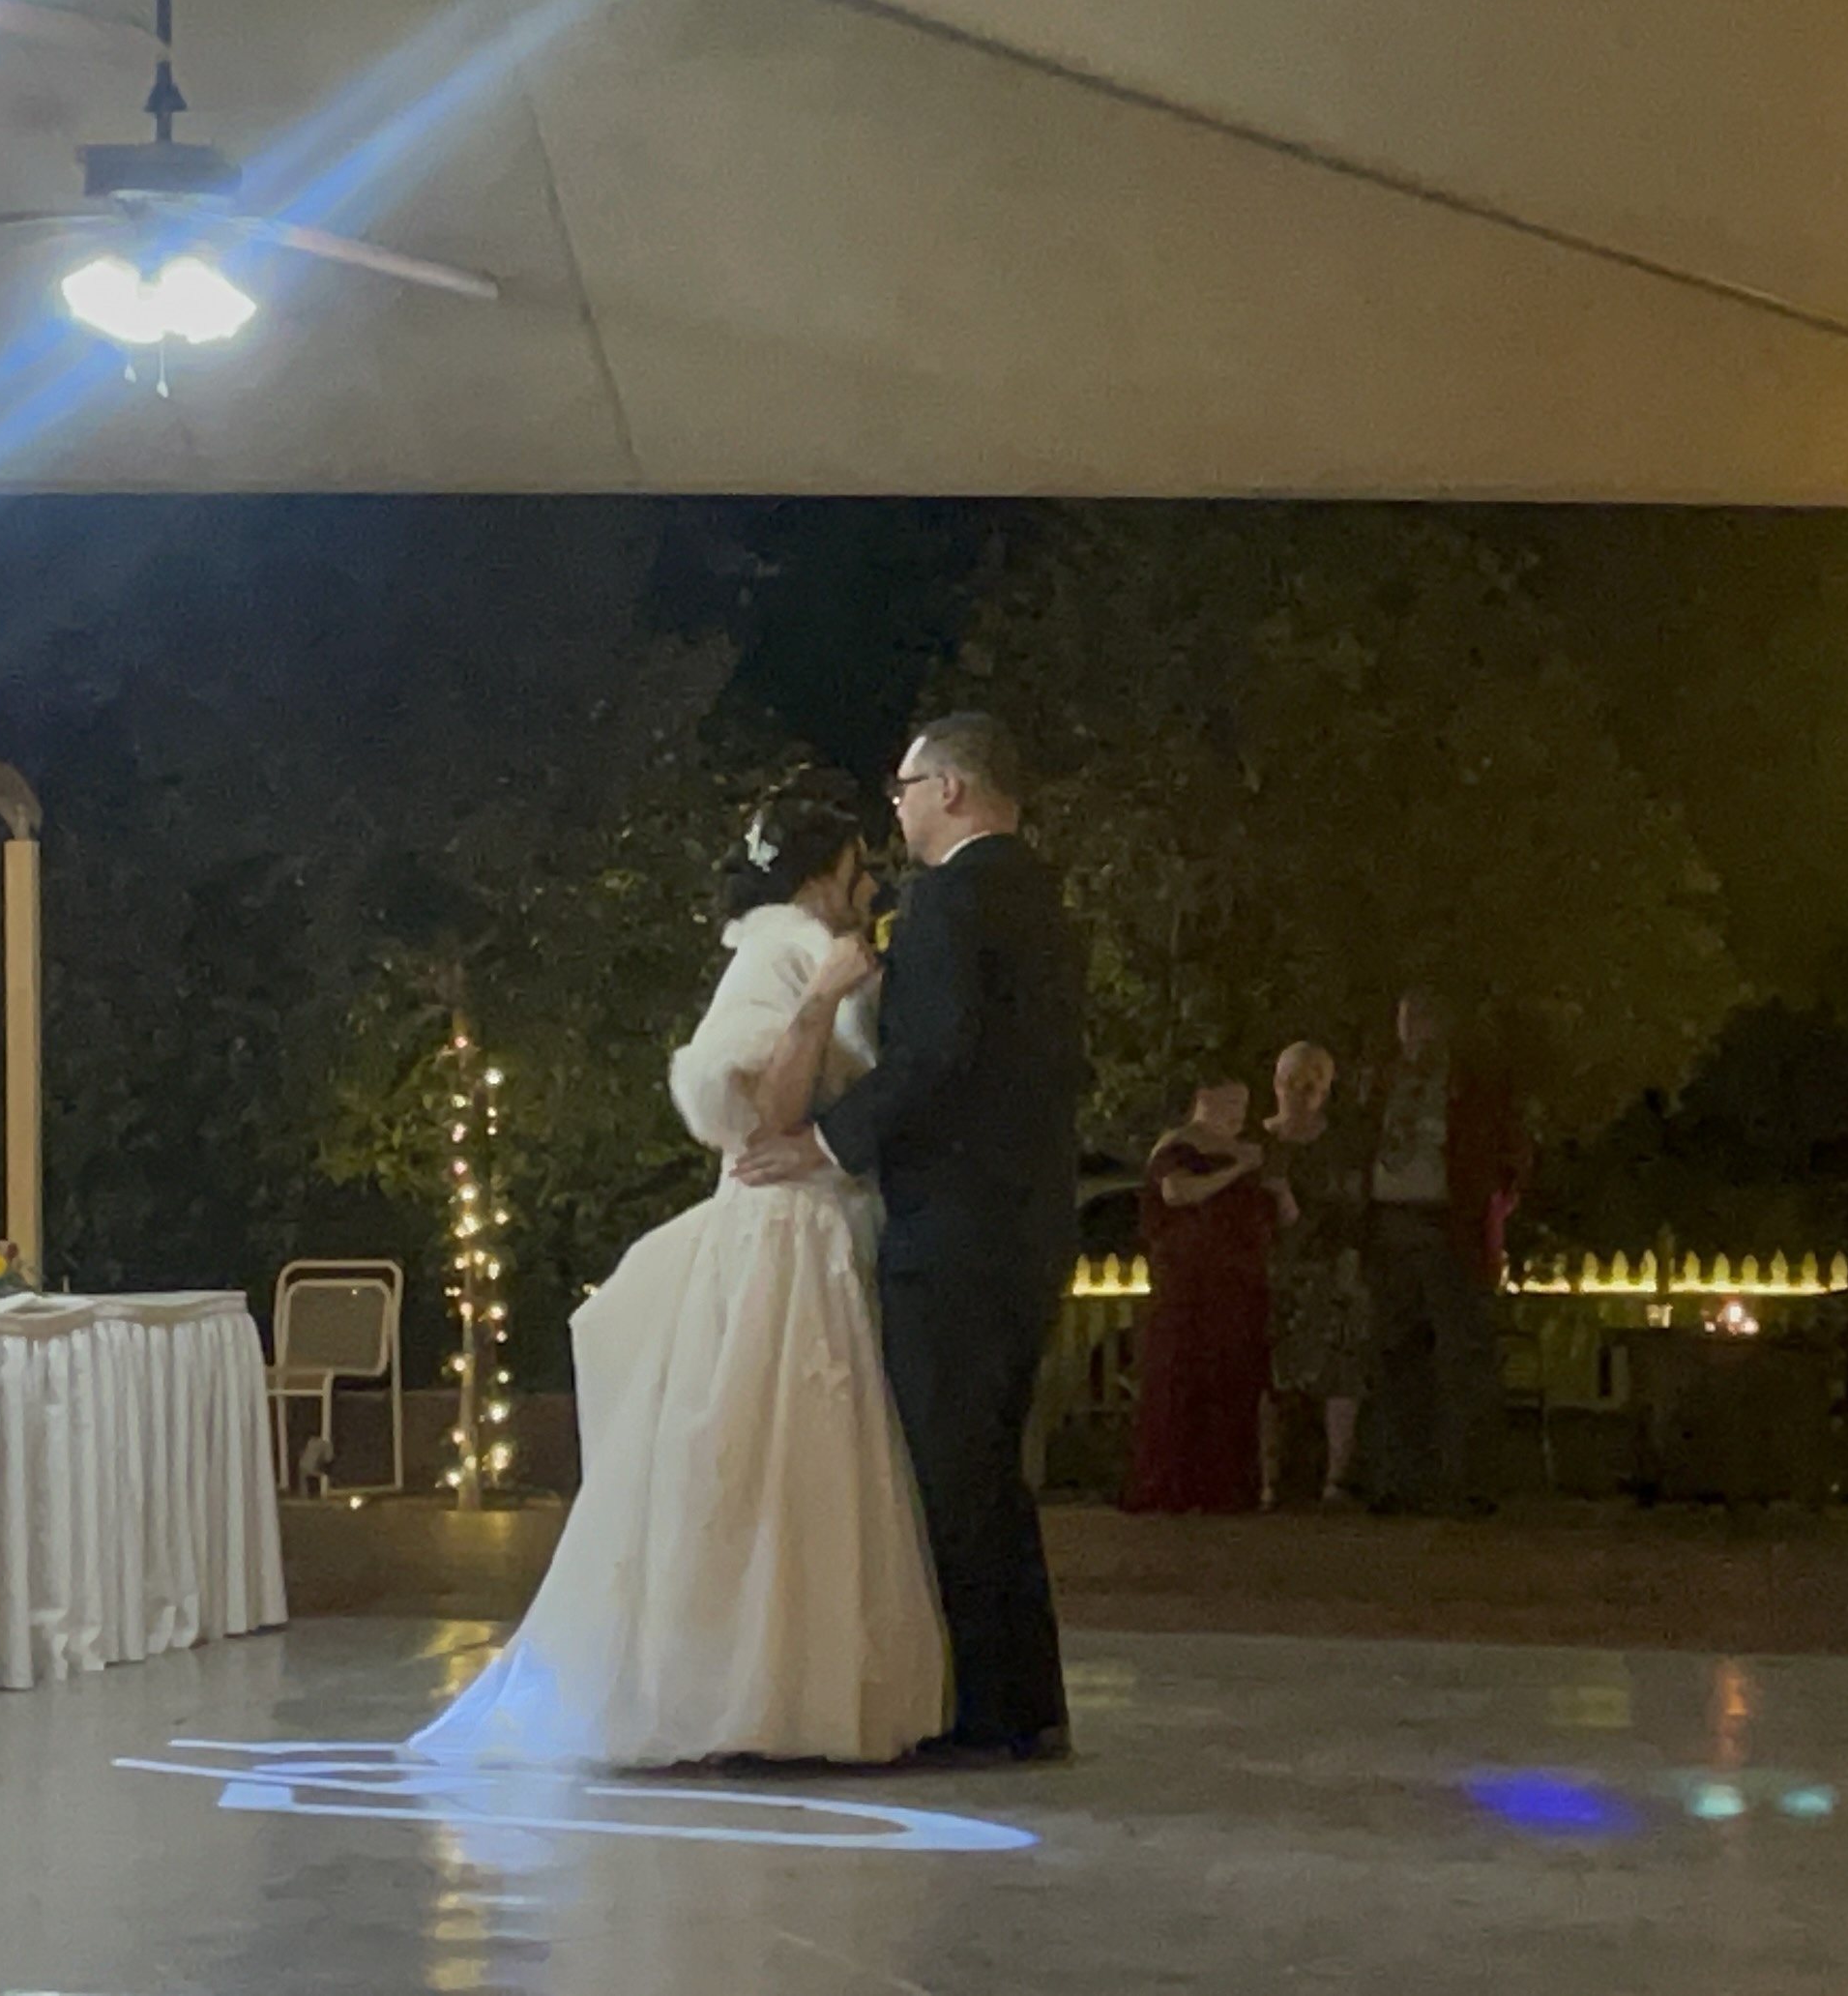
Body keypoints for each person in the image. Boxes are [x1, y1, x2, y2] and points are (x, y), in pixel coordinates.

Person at [414, 779, 946, 1767]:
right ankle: (762, 1690)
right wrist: (824, 1000)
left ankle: (792, 1687)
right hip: (784, 1239)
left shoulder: (794, 947)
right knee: (775, 1460)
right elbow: (767, 1109)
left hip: (813, 1227)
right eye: (861, 867)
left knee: (794, 1462)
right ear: (828, 872)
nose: (871, 885)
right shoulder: (788, 955)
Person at [738, 713, 1089, 1765]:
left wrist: (825, 1142)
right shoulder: (1046, 901)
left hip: (954, 1228)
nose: (896, 810)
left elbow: (934, 1055)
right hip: (1029, 1219)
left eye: (903, 789)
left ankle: (984, 1707)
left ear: (951, 788)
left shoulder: (947, 901)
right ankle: (1027, 1698)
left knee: (949, 1466)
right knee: (995, 1463)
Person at [1351, 987, 1522, 1516]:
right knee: (1394, 1355)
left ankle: (1467, 1482)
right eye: (1406, 1019)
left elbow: (1508, 1150)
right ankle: (1397, 1480)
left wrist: (1493, 1202)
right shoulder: (1380, 1080)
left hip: (1449, 1227)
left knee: (1461, 1358)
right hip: (1391, 1226)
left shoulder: (1470, 1084)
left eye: (1423, 1018)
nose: (1414, 1030)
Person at [1124, 1077, 1273, 1514]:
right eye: (1230, 1103)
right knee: (1181, 1379)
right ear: (1204, 1099)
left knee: (1229, 1381)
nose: (1237, 1115)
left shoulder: (1245, 1150)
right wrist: (1236, 1169)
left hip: (1234, 1286)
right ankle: (1171, 1482)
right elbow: (1178, 1192)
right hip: (1188, 1285)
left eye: (1243, 1105)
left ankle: (1222, 1485)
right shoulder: (1178, 1148)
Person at [1261, 1041, 1367, 1509]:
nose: (1298, 1093)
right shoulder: (1259, 1144)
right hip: (1270, 1272)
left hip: (1329, 1270)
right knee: (1268, 1378)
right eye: (1290, 1082)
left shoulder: (1341, 1147)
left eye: (1311, 1084)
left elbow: (1351, 1209)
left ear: (1326, 1089)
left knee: (1339, 1376)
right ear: (1276, 1083)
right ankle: (1267, 1479)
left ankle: (1336, 1479)